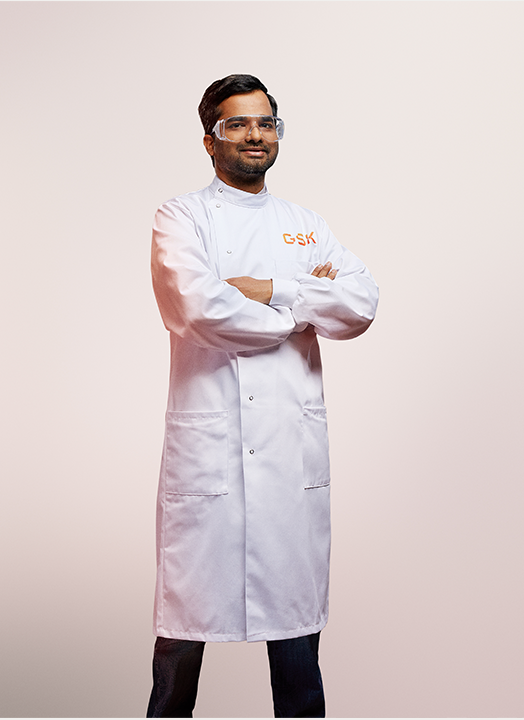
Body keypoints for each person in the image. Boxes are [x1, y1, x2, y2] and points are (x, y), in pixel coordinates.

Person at [147, 74, 379, 718]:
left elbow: (360, 305)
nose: (255, 134)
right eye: (238, 124)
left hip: (287, 462)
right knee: (180, 642)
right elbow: (197, 308)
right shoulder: (182, 216)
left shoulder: (305, 224)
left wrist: (269, 288)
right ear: (209, 138)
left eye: (266, 123)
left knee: (298, 643)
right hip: (210, 459)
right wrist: (304, 308)